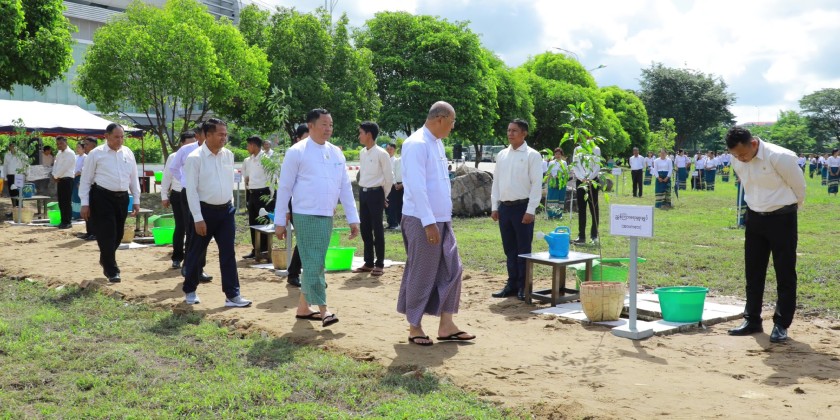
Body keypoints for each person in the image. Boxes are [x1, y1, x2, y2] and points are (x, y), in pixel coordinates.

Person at [397, 101, 475, 346]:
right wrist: (428, 222)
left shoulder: (437, 143)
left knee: (453, 269)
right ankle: (415, 326)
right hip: (422, 220)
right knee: (421, 273)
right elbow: (416, 187)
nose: (453, 127)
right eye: (452, 122)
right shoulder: (416, 144)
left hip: (442, 219)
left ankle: (446, 325)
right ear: (440, 119)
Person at [274, 109, 360, 327]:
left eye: (330, 125)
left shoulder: (336, 152)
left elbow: (345, 187)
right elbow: (284, 188)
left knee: (316, 261)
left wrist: (353, 218)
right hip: (305, 214)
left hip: (327, 215)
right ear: (310, 126)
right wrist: (280, 221)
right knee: (314, 262)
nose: (328, 129)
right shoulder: (297, 151)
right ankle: (324, 309)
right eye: (324, 124)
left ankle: (303, 308)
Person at [725, 127, 806, 343]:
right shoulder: (736, 159)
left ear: (753, 144)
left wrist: (787, 208)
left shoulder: (780, 156)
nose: (740, 159)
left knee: (785, 272)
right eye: (735, 156)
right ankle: (752, 319)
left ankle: (781, 324)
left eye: (743, 154)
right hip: (754, 218)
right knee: (753, 271)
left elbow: (799, 187)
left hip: (782, 218)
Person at [182, 118, 251, 307]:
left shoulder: (228, 155)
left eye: (225, 134)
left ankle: (232, 294)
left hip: (226, 211)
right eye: (220, 134)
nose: (224, 138)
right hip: (204, 212)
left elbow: (228, 182)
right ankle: (190, 290)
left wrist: (230, 205)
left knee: (228, 252)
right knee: (196, 252)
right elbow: (191, 191)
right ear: (207, 135)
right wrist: (198, 218)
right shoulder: (195, 158)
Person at [79, 123, 141, 283]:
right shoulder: (96, 154)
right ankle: (112, 270)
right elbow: (85, 180)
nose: (119, 140)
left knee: (118, 234)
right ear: (106, 136)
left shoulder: (128, 153)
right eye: (116, 137)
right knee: (107, 233)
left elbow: (133, 178)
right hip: (102, 197)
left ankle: (105, 258)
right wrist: (85, 203)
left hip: (122, 198)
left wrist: (136, 199)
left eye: (122, 137)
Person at [490, 119, 543, 301]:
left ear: (524, 133)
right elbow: (496, 182)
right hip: (505, 208)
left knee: (523, 249)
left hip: (523, 207)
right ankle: (511, 284)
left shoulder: (532, 155)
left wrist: (531, 210)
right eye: (508, 130)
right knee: (509, 249)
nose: (510, 133)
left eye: (514, 130)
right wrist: (495, 206)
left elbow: (536, 184)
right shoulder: (502, 155)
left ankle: (523, 286)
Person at [169, 123, 212, 283]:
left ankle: (199, 268)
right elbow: (174, 168)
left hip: (206, 195)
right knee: (191, 230)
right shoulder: (186, 150)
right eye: (206, 135)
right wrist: (185, 181)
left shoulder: (216, 151)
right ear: (198, 136)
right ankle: (188, 265)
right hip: (189, 194)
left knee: (204, 231)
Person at [353, 122, 393, 276]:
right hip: (363, 193)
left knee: (377, 228)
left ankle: (379, 263)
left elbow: (389, 178)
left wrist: (384, 196)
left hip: (376, 193)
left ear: (369, 134)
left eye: (361, 133)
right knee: (365, 228)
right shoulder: (362, 152)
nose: (359, 136)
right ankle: (368, 262)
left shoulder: (382, 154)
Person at [161, 131, 194, 269]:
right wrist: (164, 195)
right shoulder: (174, 156)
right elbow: (167, 176)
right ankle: (177, 257)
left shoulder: (198, 155)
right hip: (178, 194)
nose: (191, 146)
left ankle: (191, 258)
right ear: (182, 143)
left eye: (194, 143)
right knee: (181, 226)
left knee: (192, 227)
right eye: (188, 143)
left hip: (194, 195)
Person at [283, 124, 309, 288]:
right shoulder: (293, 154)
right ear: (297, 138)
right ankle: (294, 273)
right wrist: (285, 210)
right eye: (306, 137)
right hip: (296, 205)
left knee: (310, 240)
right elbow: (285, 186)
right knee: (305, 239)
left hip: (313, 205)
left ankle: (309, 274)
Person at [242, 135, 272, 260]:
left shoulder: (266, 159)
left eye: (248, 146)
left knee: (263, 222)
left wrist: (271, 198)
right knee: (253, 222)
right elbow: (247, 177)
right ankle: (256, 249)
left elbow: (272, 179)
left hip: (263, 194)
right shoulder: (249, 160)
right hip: (252, 194)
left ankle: (265, 250)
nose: (247, 148)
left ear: (254, 146)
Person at [572, 142, 602, 244]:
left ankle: (594, 236)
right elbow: (575, 166)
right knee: (581, 209)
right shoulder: (577, 149)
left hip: (593, 181)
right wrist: (582, 178)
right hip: (581, 181)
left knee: (594, 208)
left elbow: (597, 166)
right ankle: (581, 236)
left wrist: (590, 178)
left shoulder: (596, 149)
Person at [51, 136, 75, 229]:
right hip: (60, 179)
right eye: (57, 144)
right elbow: (56, 165)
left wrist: (56, 176)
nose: (59, 145)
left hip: (67, 179)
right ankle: (63, 221)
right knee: (61, 202)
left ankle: (67, 222)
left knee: (66, 202)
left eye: (61, 143)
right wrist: (54, 175)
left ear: (66, 142)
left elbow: (65, 167)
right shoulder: (59, 153)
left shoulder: (70, 153)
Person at [385, 142, 403, 230]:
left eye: (391, 149)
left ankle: (395, 223)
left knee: (395, 205)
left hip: (395, 185)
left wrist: (396, 183)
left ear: (394, 150)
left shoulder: (396, 160)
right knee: (387, 205)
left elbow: (394, 173)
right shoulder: (384, 160)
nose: (389, 151)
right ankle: (390, 222)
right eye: (387, 149)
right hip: (386, 185)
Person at [545, 147, 568, 219]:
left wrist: (560, 176)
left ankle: (559, 215)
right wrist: (552, 176)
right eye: (556, 154)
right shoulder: (551, 162)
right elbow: (548, 172)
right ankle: (551, 215)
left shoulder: (564, 163)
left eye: (559, 154)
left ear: (561, 155)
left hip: (561, 181)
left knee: (560, 197)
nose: (558, 155)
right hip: (553, 181)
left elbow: (565, 172)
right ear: (554, 155)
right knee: (552, 196)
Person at [3, 143, 24, 217]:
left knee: (19, 193)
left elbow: (25, 165)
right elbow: (5, 166)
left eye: (15, 146)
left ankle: (21, 211)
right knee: (12, 194)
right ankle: (14, 211)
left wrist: (26, 175)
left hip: (19, 176)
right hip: (10, 176)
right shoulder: (7, 155)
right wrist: (5, 178)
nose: (13, 148)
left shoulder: (21, 155)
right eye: (12, 146)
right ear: (9, 147)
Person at [71, 141, 86, 220]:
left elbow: (83, 170)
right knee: (74, 195)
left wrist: (77, 174)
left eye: (79, 147)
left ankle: (79, 214)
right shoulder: (76, 157)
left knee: (78, 195)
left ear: (83, 149)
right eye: (77, 147)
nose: (77, 149)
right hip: (74, 177)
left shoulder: (85, 157)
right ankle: (74, 213)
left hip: (80, 178)